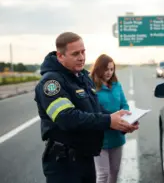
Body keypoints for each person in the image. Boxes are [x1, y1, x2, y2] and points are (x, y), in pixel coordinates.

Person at [34, 32, 138, 183]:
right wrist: (109, 120)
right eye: (75, 53)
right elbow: (67, 118)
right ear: (60, 56)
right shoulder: (51, 83)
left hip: (86, 158)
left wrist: (121, 121)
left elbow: (95, 111)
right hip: (65, 165)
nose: (82, 57)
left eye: (83, 52)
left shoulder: (82, 77)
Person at [90, 54, 130, 183]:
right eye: (106, 69)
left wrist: (127, 116)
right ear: (98, 68)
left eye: (112, 69)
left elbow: (124, 104)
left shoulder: (116, 85)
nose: (109, 72)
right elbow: (93, 110)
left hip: (117, 135)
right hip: (99, 138)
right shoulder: (91, 87)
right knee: (103, 174)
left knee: (115, 171)